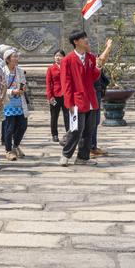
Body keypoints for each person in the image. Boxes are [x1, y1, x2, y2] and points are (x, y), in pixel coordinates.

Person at [59, 30, 105, 167]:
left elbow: (93, 77)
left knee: (89, 130)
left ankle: (83, 157)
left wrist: (98, 66)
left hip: (91, 99)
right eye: (83, 38)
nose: (86, 40)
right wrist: (69, 103)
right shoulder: (67, 60)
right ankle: (66, 155)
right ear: (76, 41)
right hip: (77, 100)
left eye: (86, 37)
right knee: (76, 130)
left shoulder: (90, 57)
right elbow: (65, 83)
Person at [2, 49, 29, 161]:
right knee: (9, 128)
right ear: (8, 59)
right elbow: (0, 88)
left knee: (23, 126)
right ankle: (8, 150)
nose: (16, 59)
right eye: (14, 57)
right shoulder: (2, 71)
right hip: (8, 103)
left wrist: (23, 88)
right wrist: (11, 91)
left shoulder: (20, 71)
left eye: (17, 56)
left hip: (20, 102)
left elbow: (23, 82)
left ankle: (16, 145)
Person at [46, 50, 69, 143]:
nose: (57, 58)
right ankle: (54, 134)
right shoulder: (51, 69)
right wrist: (50, 97)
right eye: (56, 56)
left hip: (66, 95)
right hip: (55, 96)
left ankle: (69, 133)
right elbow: (48, 83)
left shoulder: (68, 67)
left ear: (64, 57)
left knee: (67, 116)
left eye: (60, 56)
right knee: (54, 116)